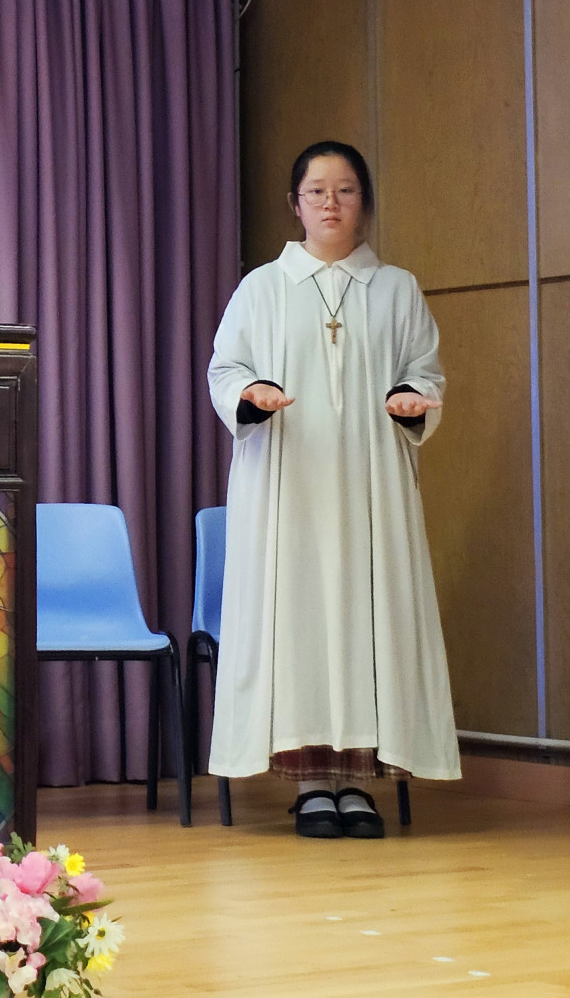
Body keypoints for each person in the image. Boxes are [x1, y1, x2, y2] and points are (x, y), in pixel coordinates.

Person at [205, 141, 460, 839]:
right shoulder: (262, 288)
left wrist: (411, 399)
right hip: (288, 487)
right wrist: (251, 393)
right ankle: (313, 783)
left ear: (364, 202)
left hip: (371, 487)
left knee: (367, 617)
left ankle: (359, 783)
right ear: (295, 204)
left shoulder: (396, 288)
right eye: (316, 191)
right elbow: (225, 370)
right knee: (300, 621)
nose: (330, 203)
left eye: (344, 190)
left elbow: (425, 369)